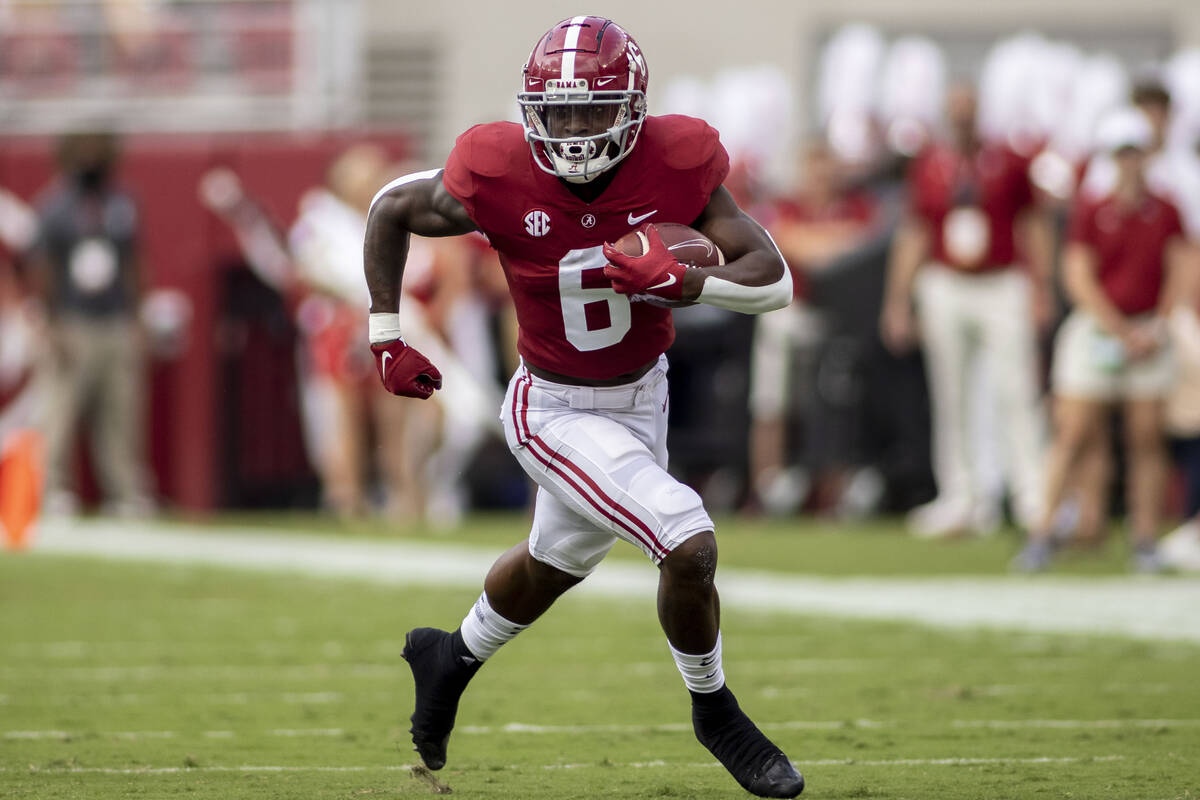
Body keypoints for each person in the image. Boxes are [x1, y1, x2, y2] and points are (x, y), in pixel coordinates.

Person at [364, 17, 803, 799]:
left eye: (592, 111)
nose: (573, 128)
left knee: (552, 564)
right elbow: (391, 207)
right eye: (559, 111)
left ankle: (448, 659)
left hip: (643, 398)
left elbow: (773, 281)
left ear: (631, 109)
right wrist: (386, 338)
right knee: (688, 540)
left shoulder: (678, 158)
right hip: (552, 408)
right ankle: (715, 709)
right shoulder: (497, 167)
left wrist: (690, 282)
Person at [1014, 107, 1195, 572]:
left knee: (1146, 436)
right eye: (1121, 153)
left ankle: (1144, 539)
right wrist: (1119, 329)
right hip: (1101, 330)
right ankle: (1042, 532)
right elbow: (1078, 275)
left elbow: (1179, 269)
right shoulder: (1094, 209)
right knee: (1072, 431)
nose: (1128, 161)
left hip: (1149, 331)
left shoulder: (1166, 208)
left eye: (1134, 151)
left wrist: (1157, 324)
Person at [879, 83, 1052, 537]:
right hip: (946, 281)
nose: (962, 121)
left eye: (968, 112)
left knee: (1016, 388)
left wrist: (1041, 285)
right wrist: (899, 298)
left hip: (1002, 280)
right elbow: (914, 230)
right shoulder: (930, 164)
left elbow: (1032, 222)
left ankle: (1031, 495)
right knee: (950, 391)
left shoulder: (1008, 161)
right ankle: (963, 496)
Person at [27, 131, 154, 517]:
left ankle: (124, 491)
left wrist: (138, 316)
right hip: (73, 319)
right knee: (60, 410)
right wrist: (49, 321)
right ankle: (52, 489)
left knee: (122, 411)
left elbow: (135, 261)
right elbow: (41, 266)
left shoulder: (122, 202)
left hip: (114, 318)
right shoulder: (53, 206)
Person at [750, 138, 877, 514]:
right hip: (794, 309)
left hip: (844, 319)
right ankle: (767, 481)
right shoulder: (787, 207)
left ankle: (835, 481)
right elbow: (794, 244)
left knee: (845, 393)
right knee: (772, 386)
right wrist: (833, 242)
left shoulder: (856, 205)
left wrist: (818, 243)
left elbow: (866, 242)